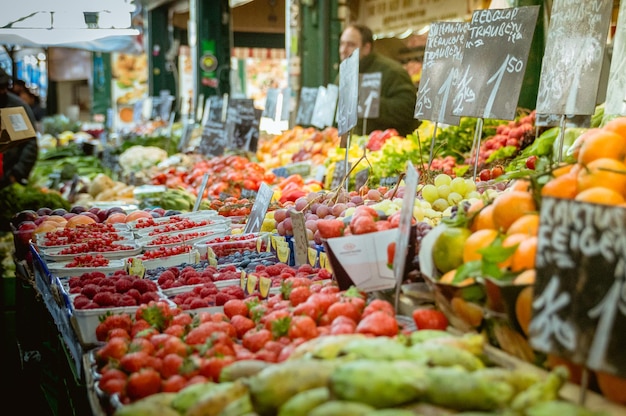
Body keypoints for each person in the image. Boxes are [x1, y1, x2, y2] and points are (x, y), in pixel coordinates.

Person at [339, 24, 420, 136]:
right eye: (342, 44)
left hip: (386, 148)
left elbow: (408, 110)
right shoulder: (343, 75)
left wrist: (371, 103)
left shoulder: (392, 72)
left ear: (366, 48)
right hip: (351, 148)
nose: (343, 50)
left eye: (350, 45)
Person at [0, 68, 38, 188]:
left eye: (3, 88)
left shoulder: (16, 107)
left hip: (8, 175)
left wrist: (17, 173)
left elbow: (30, 142)